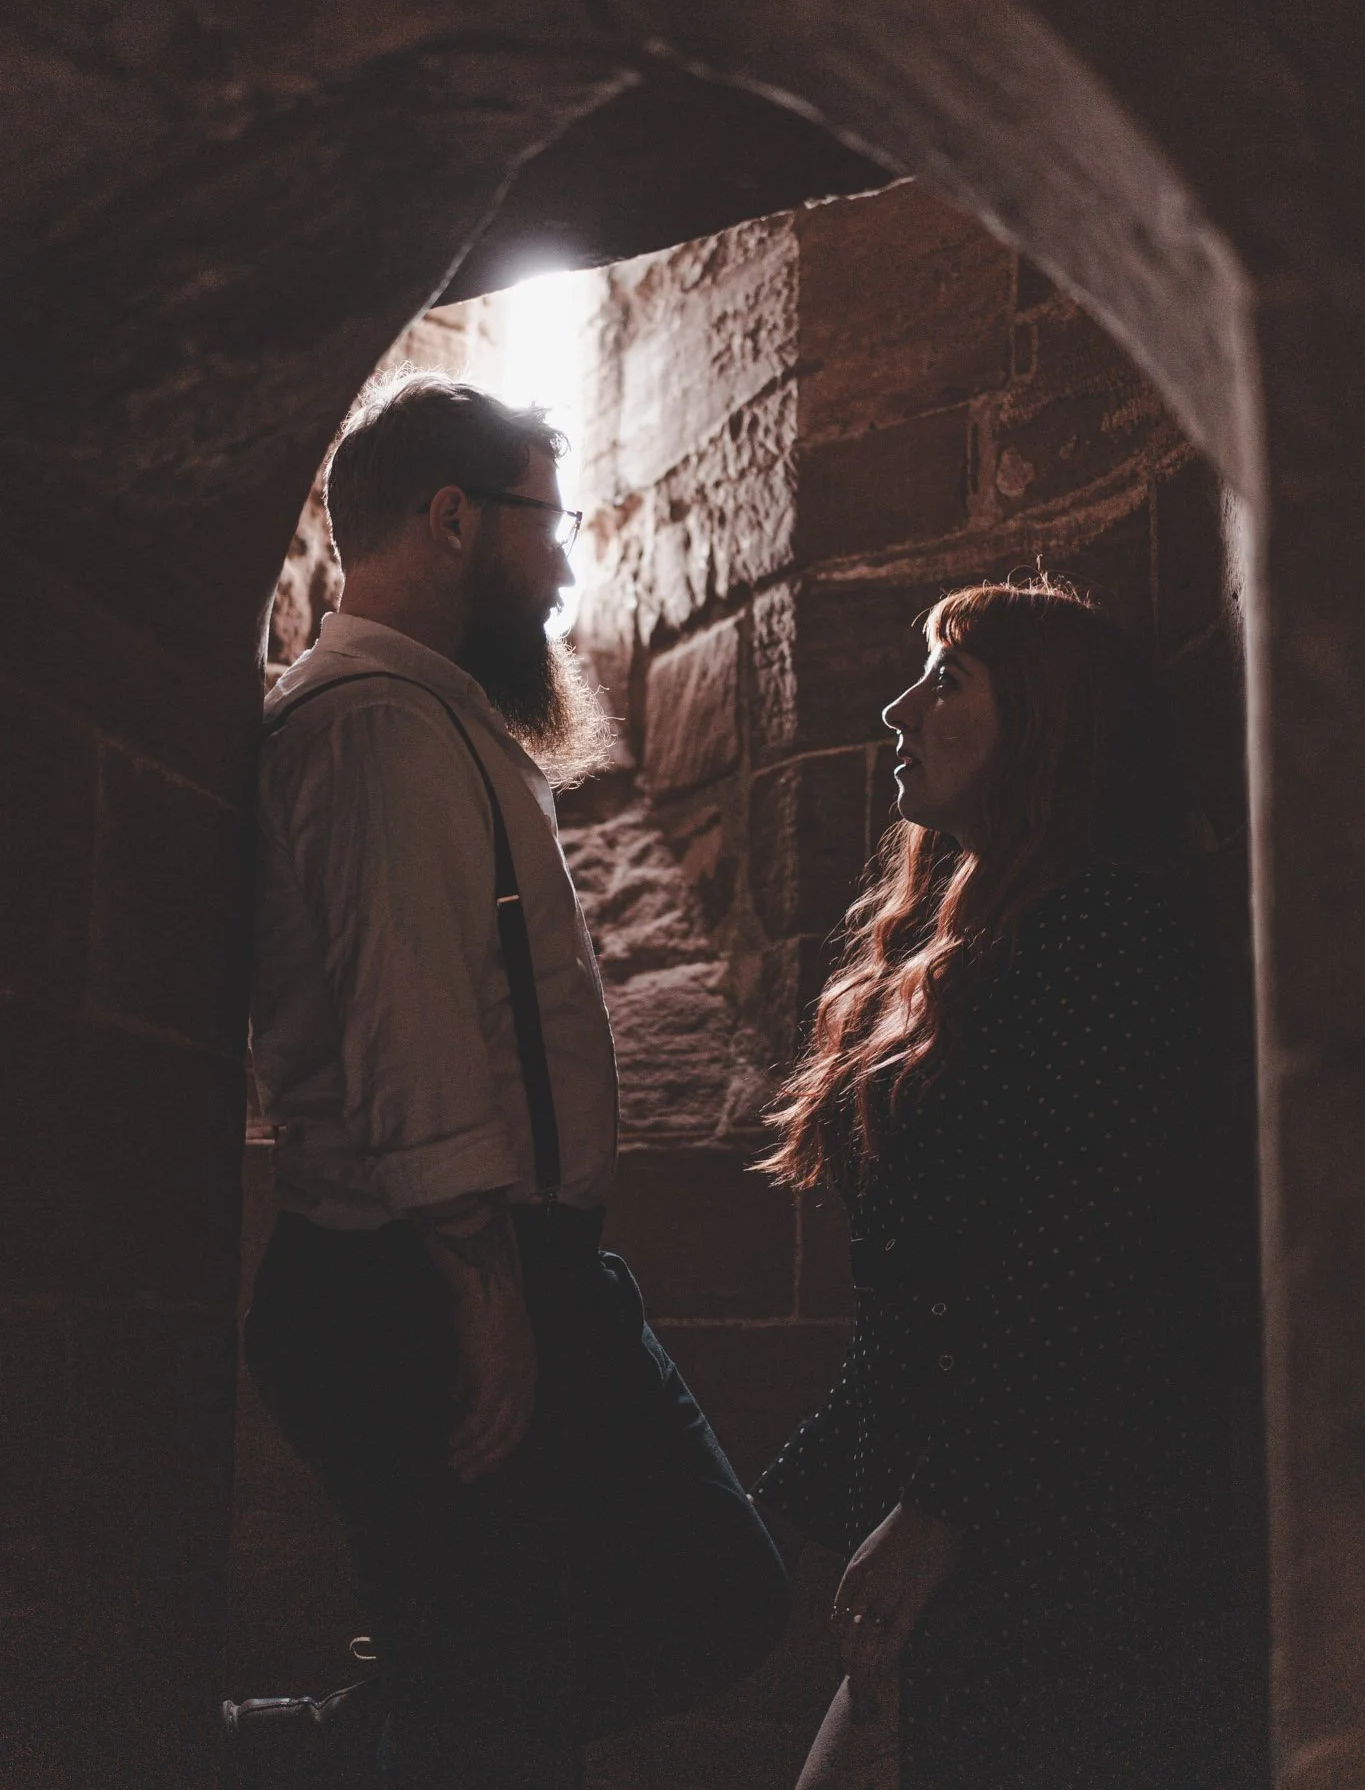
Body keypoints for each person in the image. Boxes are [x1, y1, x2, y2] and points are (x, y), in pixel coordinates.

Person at [236, 368, 787, 1788]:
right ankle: (358, 1736)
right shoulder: (372, 721)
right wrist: (481, 1286)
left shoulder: (429, 716)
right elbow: (408, 1010)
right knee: (528, 1694)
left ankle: (381, 1724)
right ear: (452, 517)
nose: (565, 565)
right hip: (418, 1281)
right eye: (552, 523)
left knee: (659, 1617)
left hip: (492, 1264)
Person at [752, 579, 1267, 1790]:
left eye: (947, 678)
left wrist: (939, 1507)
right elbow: (917, 1293)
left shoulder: (1104, 931)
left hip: (1060, 1523)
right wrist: (805, 1499)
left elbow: (1080, 1256)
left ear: (1045, 719)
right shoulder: (983, 941)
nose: (898, 710)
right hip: (972, 1500)